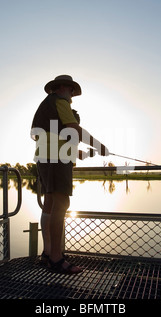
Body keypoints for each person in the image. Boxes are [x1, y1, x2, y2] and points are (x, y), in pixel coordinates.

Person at [31, 75, 109, 274]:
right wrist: (99, 145)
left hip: (45, 157)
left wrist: (88, 152)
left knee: (49, 204)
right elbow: (75, 130)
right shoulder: (60, 101)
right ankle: (57, 259)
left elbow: (62, 141)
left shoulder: (47, 106)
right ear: (64, 87)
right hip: (55, 159)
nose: (73, 95)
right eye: (72, 90)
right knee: (62, 204)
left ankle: (47, 254)